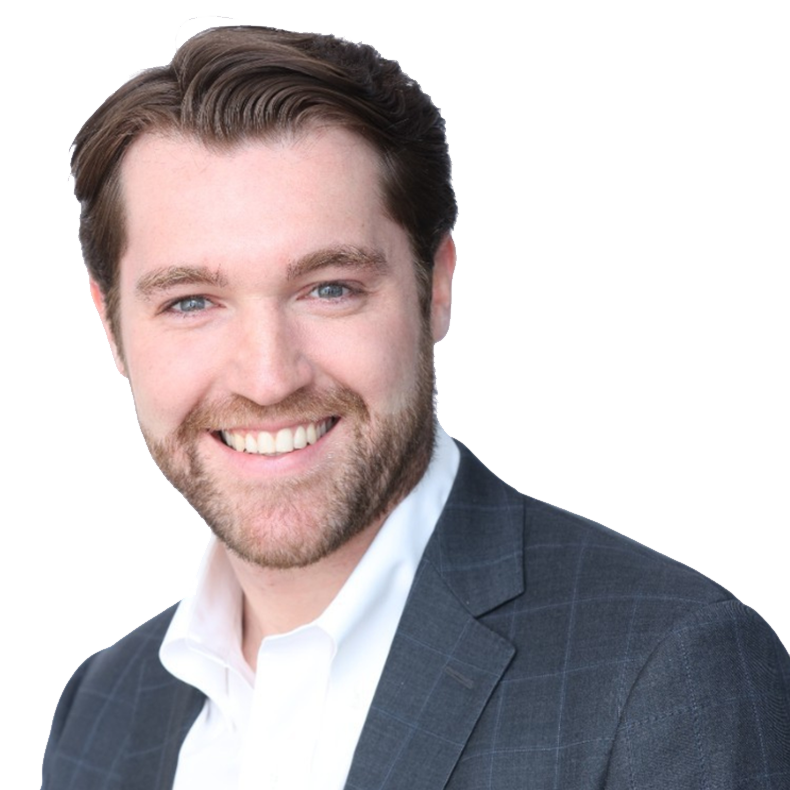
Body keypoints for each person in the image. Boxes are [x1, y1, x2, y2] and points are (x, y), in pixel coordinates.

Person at [48, 24, 789, 790]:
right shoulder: (102, 711)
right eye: (191, 301)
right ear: (111, 324)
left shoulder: (667, 671)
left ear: (436, 287)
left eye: (329, 288)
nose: (269, 379)